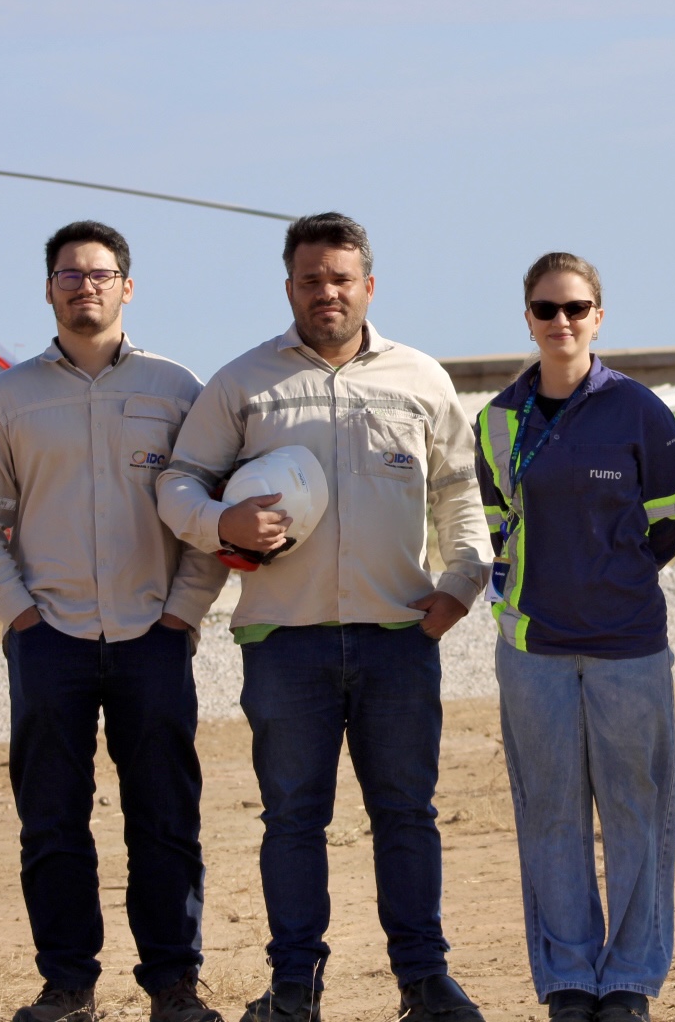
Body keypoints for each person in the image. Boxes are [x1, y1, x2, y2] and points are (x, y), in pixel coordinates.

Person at [156, 212, 494, 1022]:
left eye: (341, 279)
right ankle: (294, 989)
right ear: (290, 289)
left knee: (407, 815)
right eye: (311, 280)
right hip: (285, 643)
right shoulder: (243, 384)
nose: (326, 293)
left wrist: (462, 584)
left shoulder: (420, 378)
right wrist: (219, 525)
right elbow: (176, 484)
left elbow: (458, 494)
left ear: (368, 286)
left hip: (398, 638)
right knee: (294, 820)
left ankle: (424, 983)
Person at [0, 220, 230, 1022]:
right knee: (52, 825)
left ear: (127, 287)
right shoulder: (9, 397)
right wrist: (21, 617)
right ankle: (68, 988)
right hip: (51, 643)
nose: (85, 287)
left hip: (154, 638)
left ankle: (174, 986)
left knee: (166, 821)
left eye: (100, 274)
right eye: (69, 276)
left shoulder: (178, 391)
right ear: (48, 289)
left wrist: (184, 612)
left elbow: (209, 511)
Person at [473, 253, 675, 1022]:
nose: (560, 322)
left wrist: (609, 583)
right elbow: (500, 527)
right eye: (545, 309)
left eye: (576, 308)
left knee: (637, 809)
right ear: (526, 318)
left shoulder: (643, 413)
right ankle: (567, 977)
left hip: (628, 646)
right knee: (550, 812)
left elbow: (666, 528)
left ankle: (628, 979)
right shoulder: (498, 419)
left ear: (600, 315)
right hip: (533, 651)